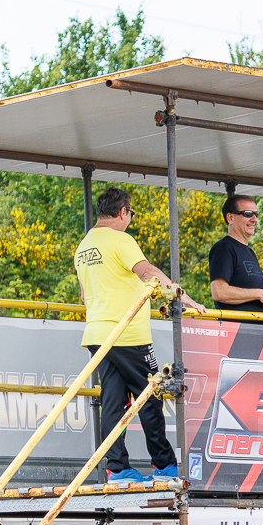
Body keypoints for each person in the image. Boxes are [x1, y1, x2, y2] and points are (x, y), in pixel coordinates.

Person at [74, 187, 206, 483]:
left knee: (112, 401)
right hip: (127, 334)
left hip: (97, 332)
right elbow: (147, 272)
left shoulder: (84, 246)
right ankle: (165, 465)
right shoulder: (121, 240)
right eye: (130, 213)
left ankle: (118, 469)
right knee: (150, 396)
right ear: (123, 212)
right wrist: (183, 297)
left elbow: (84, 294)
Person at [208, 195, 263, 316]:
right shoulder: (223, 248)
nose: (254, 219)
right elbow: (219, 292)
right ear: (230, 218)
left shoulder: (250, 252)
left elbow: (252, 296)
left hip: (260, 326)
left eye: (256, 214)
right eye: (248, 214)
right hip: (240, 327)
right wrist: (260, 294)